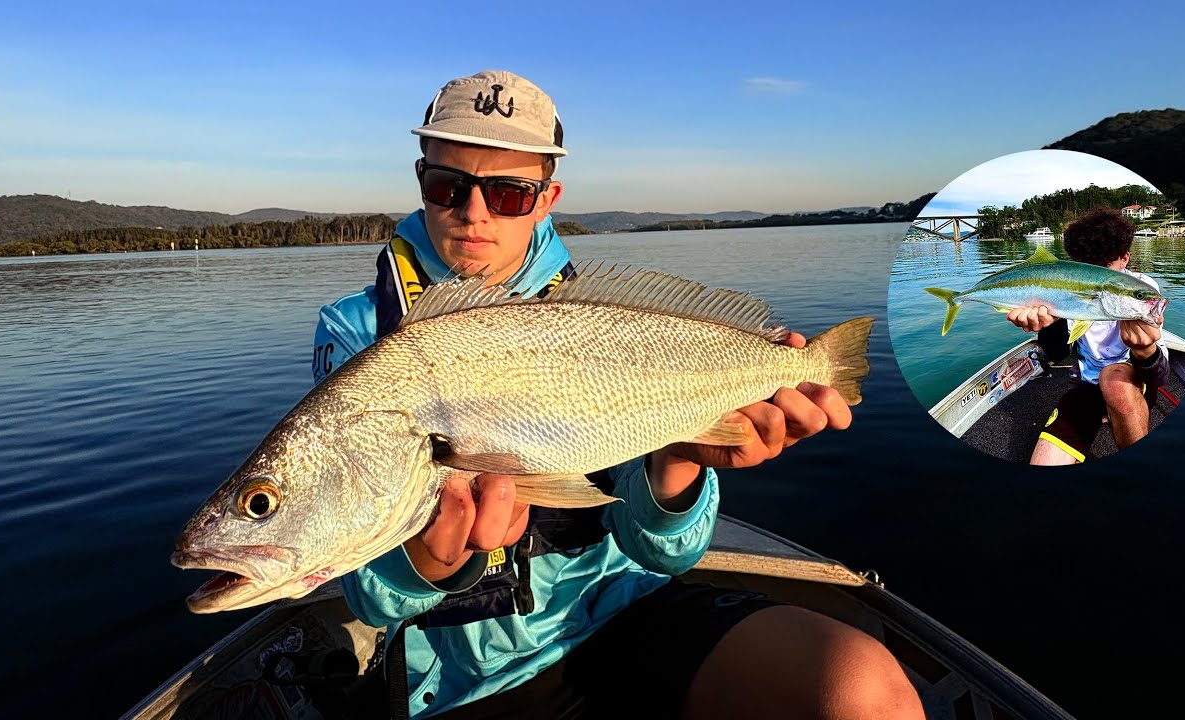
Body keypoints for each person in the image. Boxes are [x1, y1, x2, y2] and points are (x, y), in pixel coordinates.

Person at [313, 70, 922, 719]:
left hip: (625, 606)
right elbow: (370, 596)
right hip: (462, 669)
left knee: (860, 684)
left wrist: (681, 461)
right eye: (447, 185)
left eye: (510, 194)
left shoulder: (606, 314)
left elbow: (666, 551)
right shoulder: (361, 332)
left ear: (548, 197)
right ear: (421, 178)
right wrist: (429, 557)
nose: (473, 212)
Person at [1006, 207, 1170, 466]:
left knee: (1114, 378)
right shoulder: (1065, 288)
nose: (1092, 280)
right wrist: (1050, 324)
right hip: (1084, 384)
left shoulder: (1144, 291)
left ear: (1124, 258)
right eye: (1084, 268)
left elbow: (1159, 377)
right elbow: (1058, 353)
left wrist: (1145, 351)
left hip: (1131, 383)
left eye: (1105, 267)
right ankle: (1101, 411)